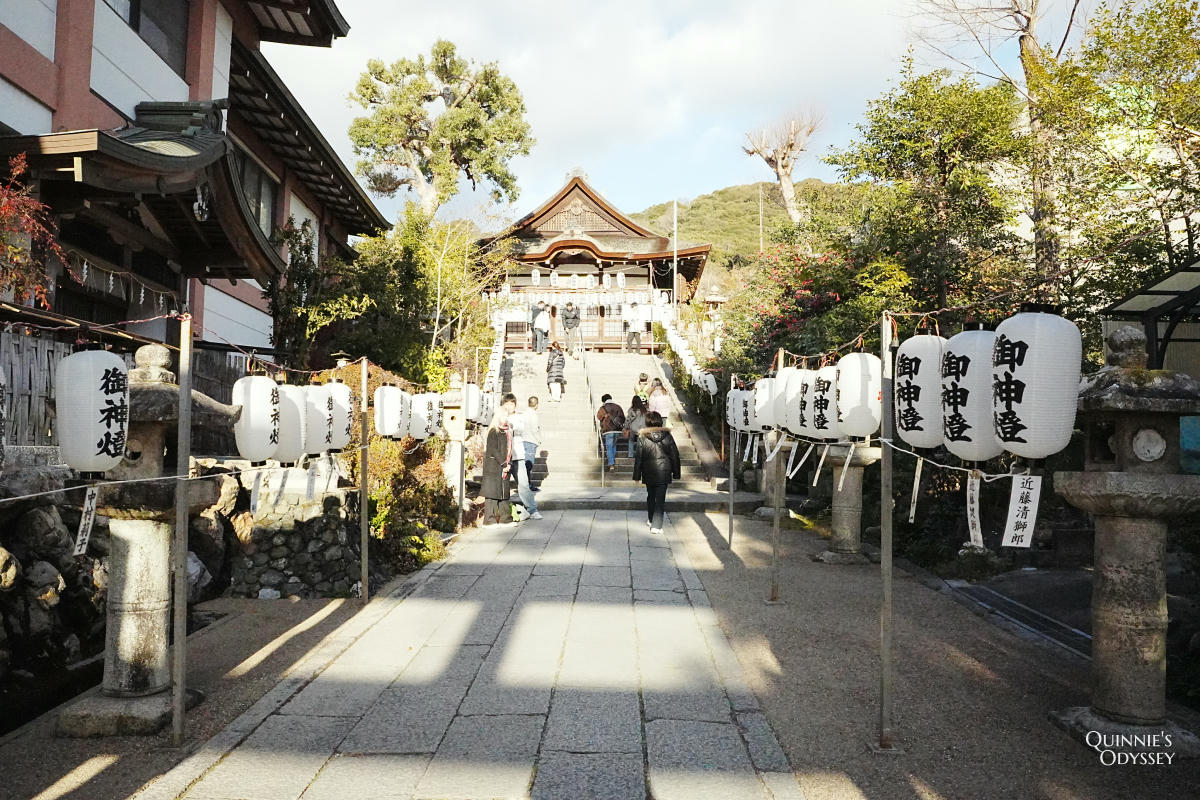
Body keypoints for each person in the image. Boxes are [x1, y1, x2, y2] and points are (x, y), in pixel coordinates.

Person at [633, 411, 680, 534]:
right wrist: (676, 473)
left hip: (648, 471)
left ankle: (651, 519)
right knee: (660, 499)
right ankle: (656, 526)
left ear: (647, 422)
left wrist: (637, 476)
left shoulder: (642, 438)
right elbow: (674, 455)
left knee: (651, 496)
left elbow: (639, 458)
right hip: (664, 471)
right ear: (660, 421)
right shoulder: (668, 436)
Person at [509, 398, 542, 520]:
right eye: (508, 404)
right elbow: (534, 429)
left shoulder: (520, 417)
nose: (510, 407)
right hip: (507, 454)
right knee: (522, 481)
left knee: (523, 483)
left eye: (512, 404)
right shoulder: (502, 417)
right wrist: (538, 439)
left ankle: (532, 510)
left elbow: (520, 430)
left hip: (518, 453)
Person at [481, 405, 514, 525]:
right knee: (492, 494)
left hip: (505, 466)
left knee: (504, 493)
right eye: (504, 415)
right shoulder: (493, 431)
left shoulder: (508, 431)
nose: (506, 418)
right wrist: (504, 463)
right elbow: (493, 449)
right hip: (494, 466)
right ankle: (489, 520)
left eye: (507, 415)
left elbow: (509, 449)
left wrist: (509, 463)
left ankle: (506, 518)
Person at [596, 393, 626, 471]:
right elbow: (623, 418)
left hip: (608, 430)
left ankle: (611, 464)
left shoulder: (603, 407)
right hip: (617, 430)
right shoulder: (618, 407)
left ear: (603, 401)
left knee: (609, 447)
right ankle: (612, 460)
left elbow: (599, 417)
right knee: (614, 446)